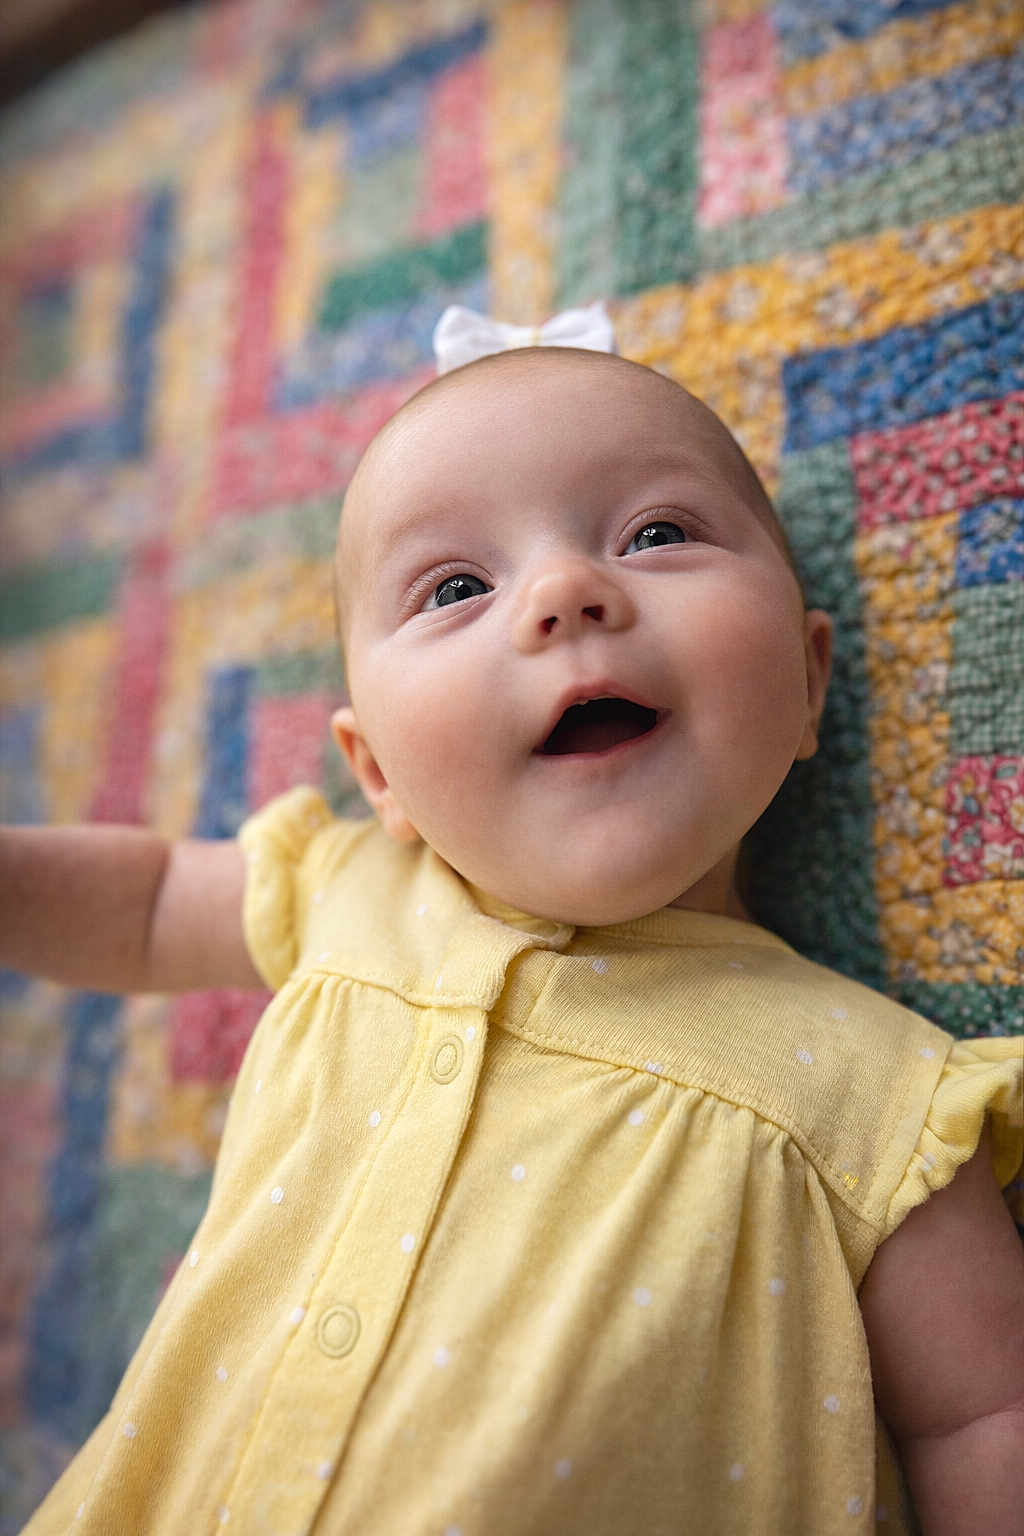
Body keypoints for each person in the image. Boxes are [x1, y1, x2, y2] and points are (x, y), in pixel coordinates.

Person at [5, 318, 1023, 1536]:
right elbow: (145, 902)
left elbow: (984, 1418)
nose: (563, 594)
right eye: (454, 588)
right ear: (375, 771)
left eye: (657, 534)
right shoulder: (354, 892)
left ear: (808, 682)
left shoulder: (883, 1102)